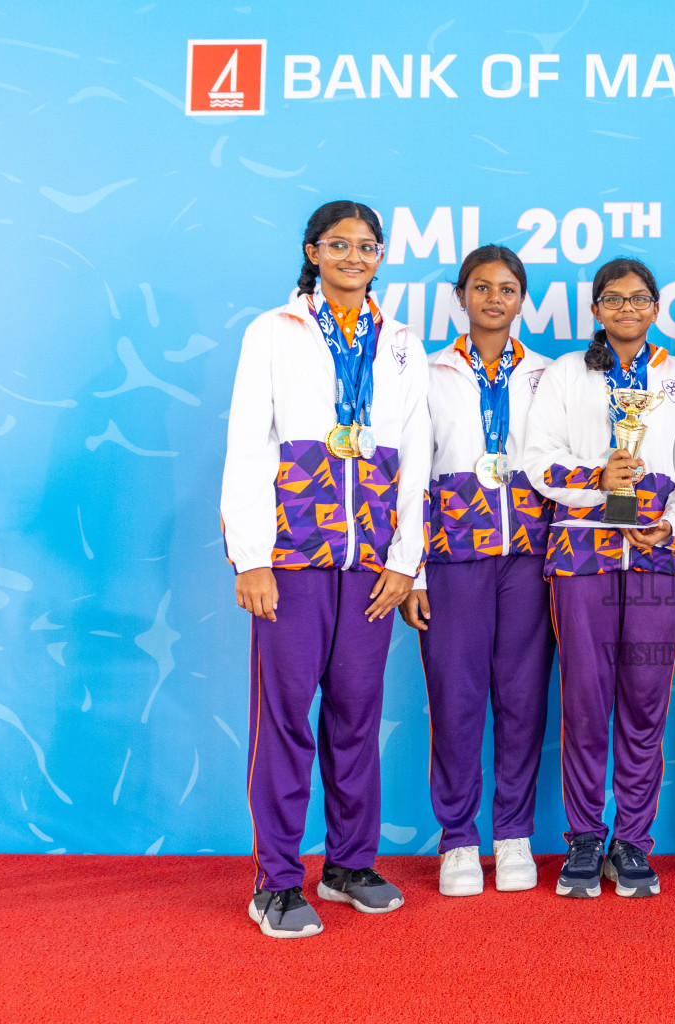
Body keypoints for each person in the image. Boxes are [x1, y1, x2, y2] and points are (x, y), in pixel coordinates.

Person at [221, 200, 431, 938]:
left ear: (381, 256)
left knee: (355, 719)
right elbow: (249, 442)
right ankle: (276, 882)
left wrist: (406, 560)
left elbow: (417, 452)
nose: (352, 257)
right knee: (285, 724)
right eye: (337, 245)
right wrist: (252, 556)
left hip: (369, 561)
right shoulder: (274, 332)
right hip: (293, 558)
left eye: (366, 246)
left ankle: (347, 864)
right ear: (313, 251)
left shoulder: (401, 341)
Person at [522, 257, 675, 899]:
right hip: (584, 553)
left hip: (656, 556)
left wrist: (674, 526)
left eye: (640, 299)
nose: (627, 309)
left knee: (644, 701)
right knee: (584, 698)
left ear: (655, 308)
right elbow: (537, 461)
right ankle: (584, 837)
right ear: (596, 310)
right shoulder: (565, 374)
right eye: (614, 299)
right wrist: (593, 480)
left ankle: (632, 841)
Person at [399, 245, 555, 897]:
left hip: (530, 554)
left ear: (524, 300)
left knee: (522, 698)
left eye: (508, 288)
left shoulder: (549, 375)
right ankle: (459, 838)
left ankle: (513, 833)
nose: (495, 298)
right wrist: (410, 570)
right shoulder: (427, 373)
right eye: (482, 287)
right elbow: (407, 472)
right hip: (452, 556)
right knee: (455, 699)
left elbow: (561, 463)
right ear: (460, 296)